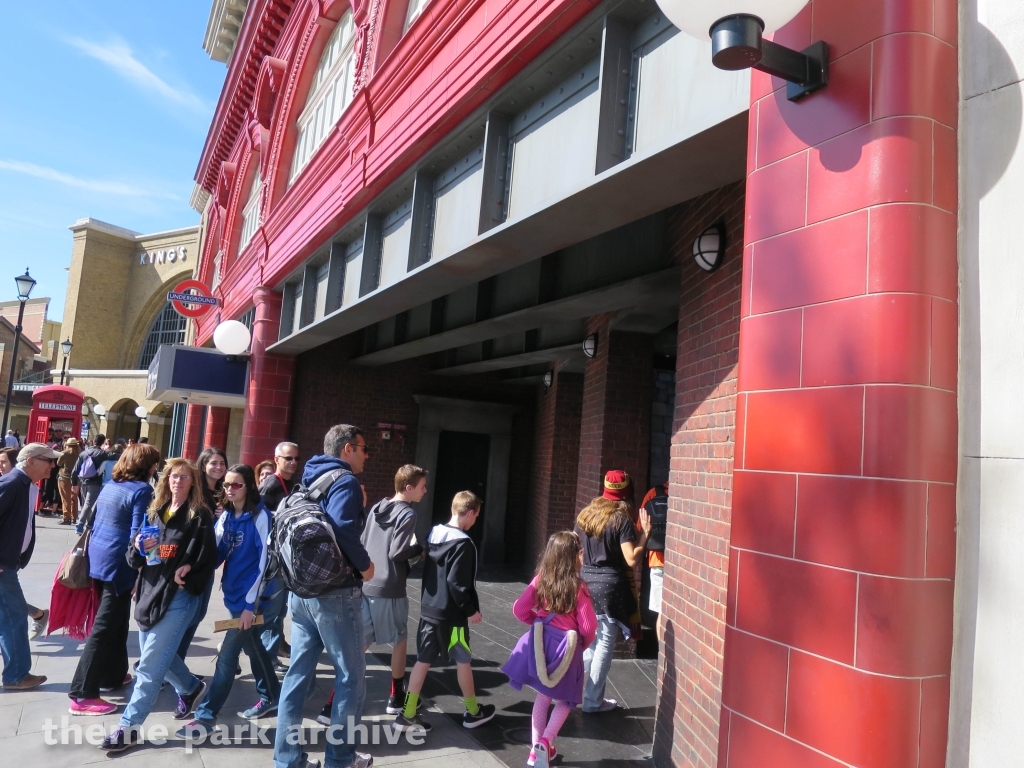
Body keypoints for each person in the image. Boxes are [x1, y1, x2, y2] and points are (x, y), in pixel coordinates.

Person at [100, 458, 217, 752]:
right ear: (166, 480)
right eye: (173, 476)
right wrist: (139, 546)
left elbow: (206, 558)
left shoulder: (198, 516)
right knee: (160, 657)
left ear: (193, 483)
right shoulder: (155, 511)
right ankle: (191, 688)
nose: (178, 481)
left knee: (149, 666)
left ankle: (128, 727)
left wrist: (188, 569)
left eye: (185, 477)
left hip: (178, 596)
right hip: (149, 592)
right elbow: (134, 555)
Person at [273, 424, 373, 768]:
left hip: (301, 594)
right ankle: (340, 759)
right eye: (363, 448)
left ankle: (287, 760)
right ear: (347, 449)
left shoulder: (309, 478)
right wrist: (366, 566)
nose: (366, 455)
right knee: (351, 677)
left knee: (297, 674)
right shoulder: (343, 481)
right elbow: (344, 530)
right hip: (336, 594)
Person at [318, 464, 427, 725]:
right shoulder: (407, 514)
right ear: (408, 487)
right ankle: (395, 697)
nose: (425, 491)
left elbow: (364, 542)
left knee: (360, 645)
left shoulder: (378, 507)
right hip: (390, 587)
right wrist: (419, 550)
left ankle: (331, 704)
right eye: (422, 486)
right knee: (400, 639)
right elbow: (398, 552)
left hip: (367, 582)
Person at [177, 464, 280, 738]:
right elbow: (216, 553)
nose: (230, 489)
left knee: (226, 658)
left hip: (251, 599)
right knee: (254, 647)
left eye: (237, 485)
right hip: (234, 596)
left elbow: (263, 564)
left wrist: (249, 606)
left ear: (249, 486)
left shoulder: (260, 517)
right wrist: (190, 565)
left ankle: (205, 718)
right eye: (227, 485)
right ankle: (272, 695)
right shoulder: (226, 517)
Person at [67, 444, 162, 714]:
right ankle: (82, 693)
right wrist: (144, 568)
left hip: (98, 559)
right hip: (119, 564)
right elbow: (139, 535)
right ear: (149, 466)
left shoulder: (111, 484)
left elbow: (94, 521)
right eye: (155, 463)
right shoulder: (143, 490)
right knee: (104, 627)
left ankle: (113, 675)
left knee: (118, 622)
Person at [395, 490, 496, 733]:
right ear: (470, 512)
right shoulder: (464, 544)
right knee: (463, 660)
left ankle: (407, 713)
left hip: (430, 610)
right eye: (476, 517)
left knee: (422, 661)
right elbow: (457, 583)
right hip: (453, 617)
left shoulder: (434, 534)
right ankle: (473, 712)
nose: (474, 522)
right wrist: (470, 610)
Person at [503, 531, 597, 768]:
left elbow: (520, 610)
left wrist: (538, 621)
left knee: (543, 697)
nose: (582, 555)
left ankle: (535, 752)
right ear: (572, 557)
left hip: (541, 645)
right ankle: (546, 741)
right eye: (579, 552)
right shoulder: (579, 588)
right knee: (565, 700)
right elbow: (588, 626)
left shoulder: (541, 579)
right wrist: (582, 645)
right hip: (567, 649)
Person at [574, 476, 651, 713]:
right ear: (626, 495)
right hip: (611, 589)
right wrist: (645, 534)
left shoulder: (586, 515)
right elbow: (631, 559)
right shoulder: (621, 520)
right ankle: (593, 702)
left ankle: (562, 687)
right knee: (605, 644)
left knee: (590, 644)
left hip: (585, 582)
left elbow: (575, 549)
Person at [0, 443, 60, 690]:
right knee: (14, 619)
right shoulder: (12, 483)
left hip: (8, 562)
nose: (53, 466)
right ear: (32, 461)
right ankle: (16, 676)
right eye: (49, 460)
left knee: (9, 617)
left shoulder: (26, 485)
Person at [176, 447, 227, 661]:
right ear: (203, 465)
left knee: (197, 615)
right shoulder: (196, 493)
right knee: (186, 616)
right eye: (213, 463)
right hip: (192, 561)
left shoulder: (223, 493)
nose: (218, 467)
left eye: (222, 463)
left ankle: (175, 664)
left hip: (209, 561)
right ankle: (168, 665)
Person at [259, 442, 299, 662]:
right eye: (288, 458)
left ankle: (269, 657)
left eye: (295, 459)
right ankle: (268, 660)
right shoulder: (271, 484)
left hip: (282, 558)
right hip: (271, 561)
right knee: (272, 613)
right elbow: (259, 520)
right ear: (276, 459)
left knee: (278, 612)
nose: (293, 462)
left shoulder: (289, 483)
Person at [639, 483, 669, 641]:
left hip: (657, 560)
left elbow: (640, 525)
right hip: (681, 564)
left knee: (661, 612)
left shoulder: (652, 492)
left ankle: (662, 655)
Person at [73, 435, 120, 534]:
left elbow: (75, 470)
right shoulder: (102, 454)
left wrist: (74, 483)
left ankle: (89, 526)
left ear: (93, 441)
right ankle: (80, 525)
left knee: (86, 504)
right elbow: (116, 456)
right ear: (102, 442)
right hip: (95, 482)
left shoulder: (83, 453)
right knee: (88, 504)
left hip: (83, 481)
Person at [259, 442, 299, 512]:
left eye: (296, 458)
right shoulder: (269, 486)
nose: (294, 462)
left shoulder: (292, 484)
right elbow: (260, 516)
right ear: (277, 460)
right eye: (288, 458)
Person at [56, 438, 82, 525]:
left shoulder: (64, 453)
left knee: (65, 499)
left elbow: (59, 463)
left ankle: (66, 518)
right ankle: (74, 517)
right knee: (74, 498)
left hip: (64, 477)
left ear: (68, 445)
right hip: (76, 479)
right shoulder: (80, 454)